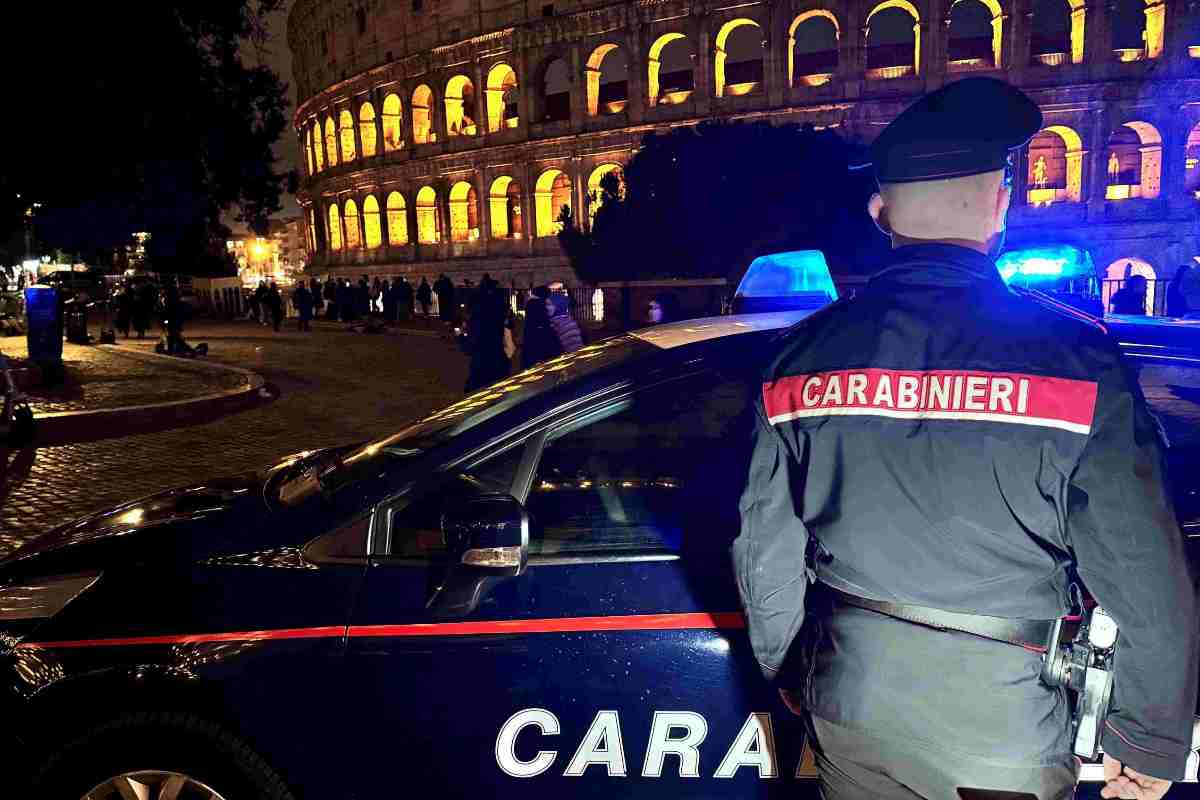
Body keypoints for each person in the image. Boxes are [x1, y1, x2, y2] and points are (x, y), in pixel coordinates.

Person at [732, 77, 1195, 800]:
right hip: (999, 724)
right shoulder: (1077, 362)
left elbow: (763, 552)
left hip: (855, 703)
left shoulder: (799, 359)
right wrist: (1148, 737)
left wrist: (797, 672)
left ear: (881, 214)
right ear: (1001, 207)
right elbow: (1141, 568)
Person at [464, 278, 512, 392]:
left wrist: (461, 336)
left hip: (481, 360)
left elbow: (469, 346)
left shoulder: (477, 316)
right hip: (498, 357)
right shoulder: (499, 308)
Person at [521, 286, 558, 367]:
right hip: (539, 336)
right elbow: (544, 319)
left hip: (532, 335)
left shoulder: (531, 302)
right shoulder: (537, 303)